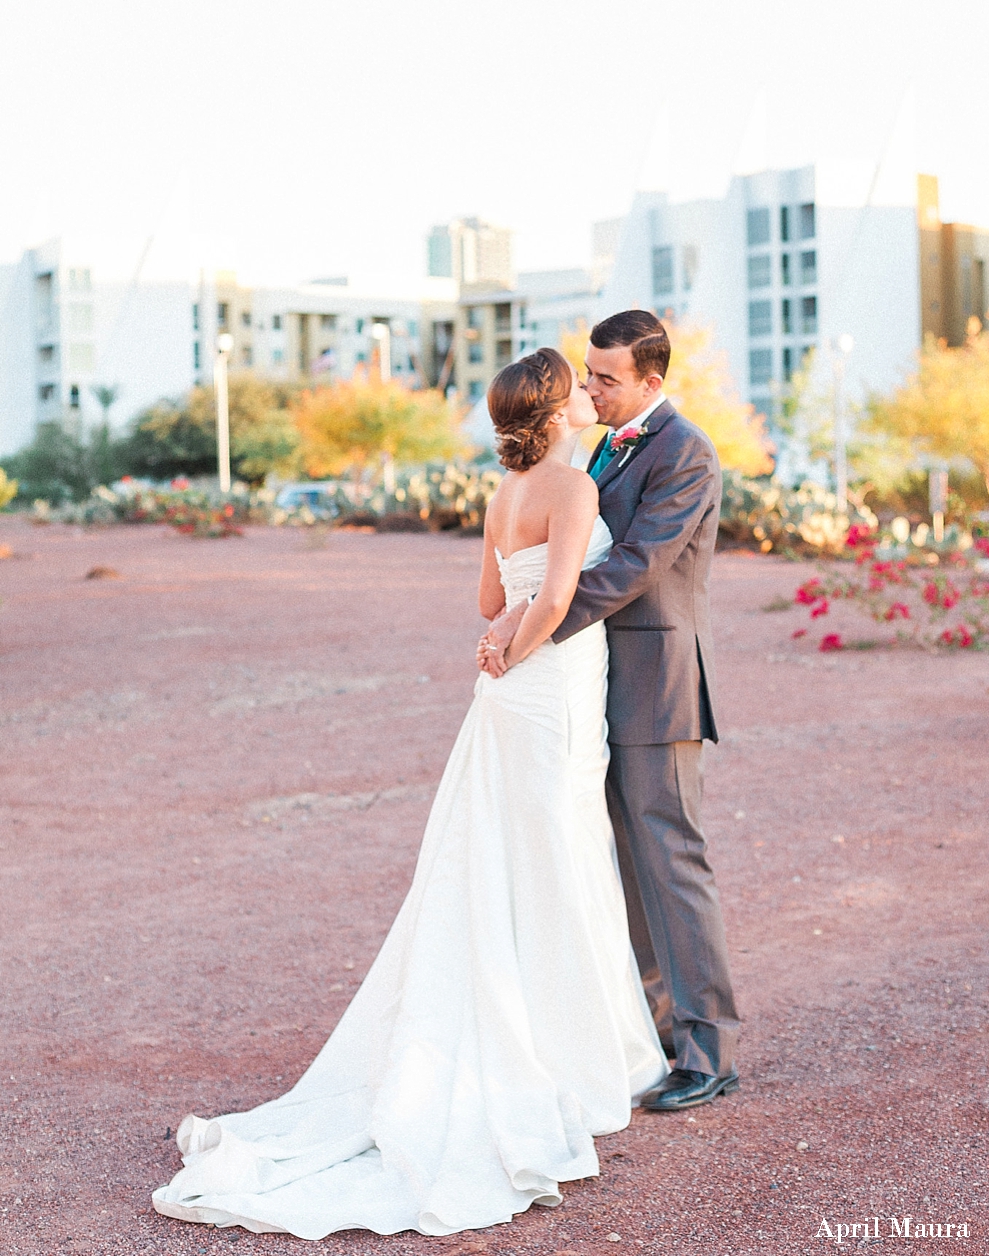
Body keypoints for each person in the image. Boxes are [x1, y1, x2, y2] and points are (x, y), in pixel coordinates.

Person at [152, 347, 664, 1241]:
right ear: (553, 410)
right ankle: (572, 1055)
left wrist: (501, 636)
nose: (590, 395)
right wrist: (520, 637)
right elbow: (554, 601)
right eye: (577, 387)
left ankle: (558, 1039)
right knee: (556, 856)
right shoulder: (571, 488)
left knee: (513, 856)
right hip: (549, 687)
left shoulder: (503, 493)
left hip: (506, 694)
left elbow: (485, 597)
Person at [480, 310, 740, 1112]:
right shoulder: (599, 446)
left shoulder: (686, 451)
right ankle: (649, 1031)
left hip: (657, 688)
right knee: (618, 869)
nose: (588, 387)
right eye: (586, 374)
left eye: (605, 378)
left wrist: (531, 619)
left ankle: (707, 1050)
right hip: (590, 687)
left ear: (651, 382)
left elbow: (634, 562)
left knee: (671, 864)